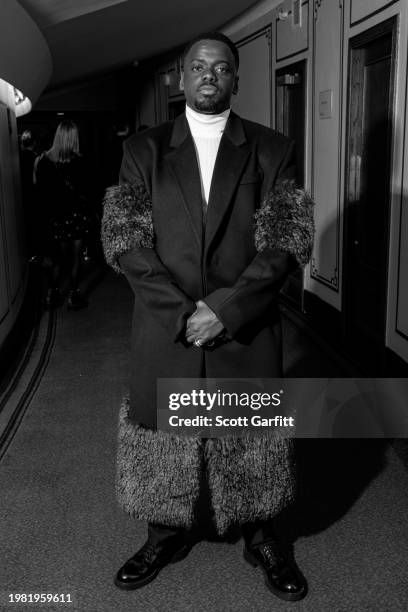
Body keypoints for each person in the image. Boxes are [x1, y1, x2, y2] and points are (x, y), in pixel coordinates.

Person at [102, 32, 314, 602]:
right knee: (165, 433)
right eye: (198, 66)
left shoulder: (273, 148)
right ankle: (164, 534)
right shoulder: (142, 151)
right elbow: (125, 241)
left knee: (249, 433)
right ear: (181, 77)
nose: (209, 76)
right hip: (164, 323)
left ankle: (261, 536)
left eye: (221, 68)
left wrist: (223, 310)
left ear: (236, 78)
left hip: (244, 324)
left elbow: (286, 242)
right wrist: (183, 315)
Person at [35, 120, 90, 310]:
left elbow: (41, 195)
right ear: (73, 138)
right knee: (76, 258)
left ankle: (52, 293)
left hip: (55, 217)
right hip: (76, 216)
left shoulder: (43, 162)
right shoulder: (80, 162)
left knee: (57, 259)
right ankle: (73, 296)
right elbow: (87, 191)